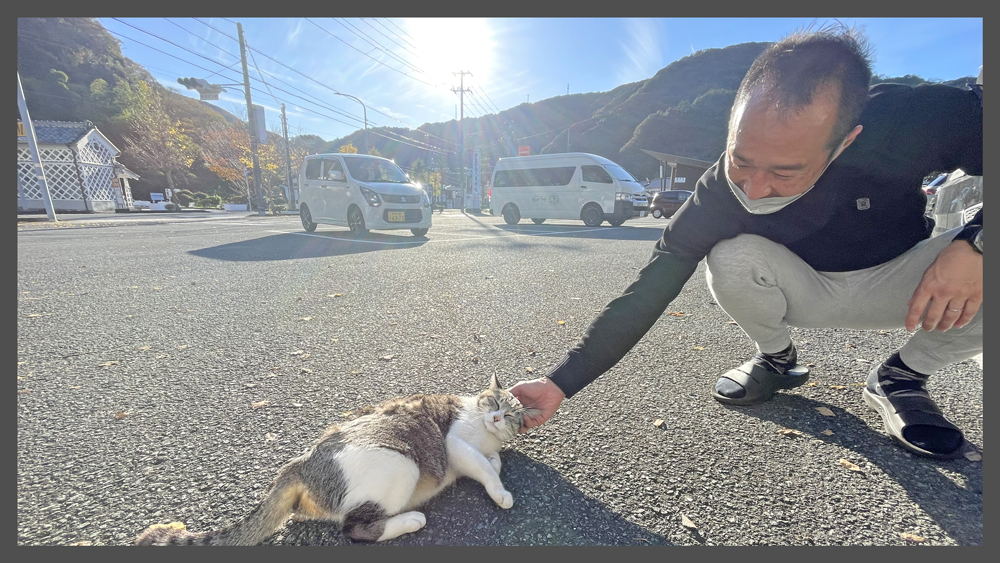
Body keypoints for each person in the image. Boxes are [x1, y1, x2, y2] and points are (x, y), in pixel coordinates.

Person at [509, 25, 983, 460]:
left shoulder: (914, 117)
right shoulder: (717, 191)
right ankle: (777, 359)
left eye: (784, 171)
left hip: (903, 281)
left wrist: (975, 244)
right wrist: (560, 383)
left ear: (846, 141)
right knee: (730, 257)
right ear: (732, 126)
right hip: (802, 289)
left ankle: (902, 376)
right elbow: (649, 289)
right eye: (742, 159)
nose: (753, 189)